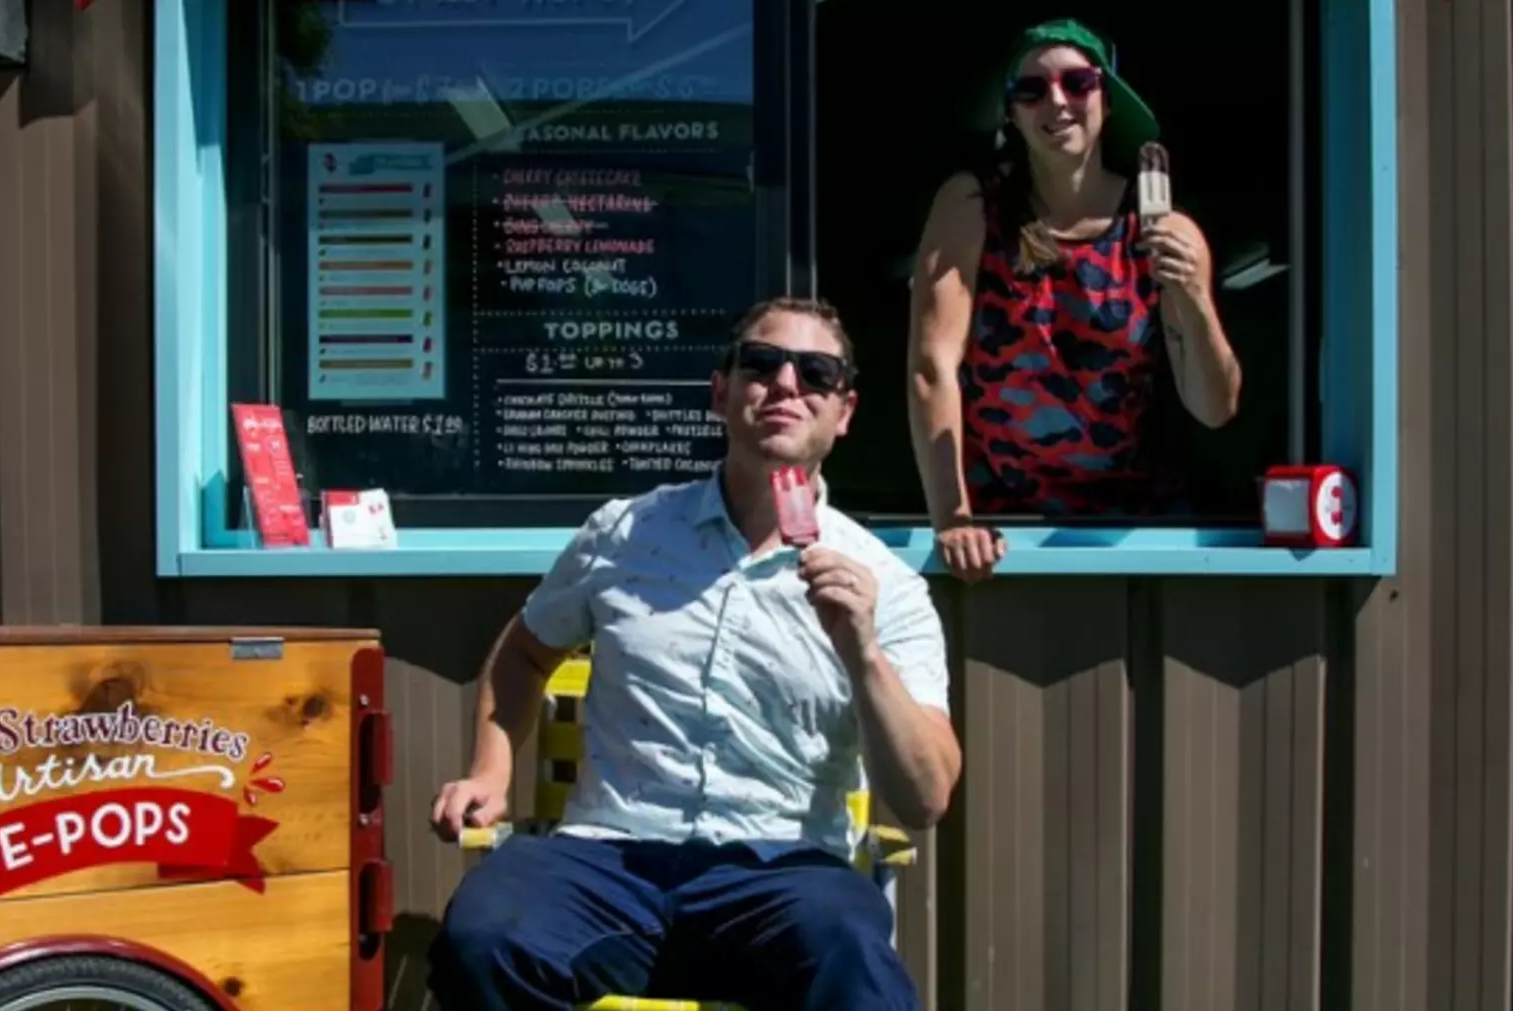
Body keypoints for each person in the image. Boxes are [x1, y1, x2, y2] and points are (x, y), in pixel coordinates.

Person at [426, 296, 959, 1011]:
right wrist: (490, 771)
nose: (786, 384)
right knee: (483, 937)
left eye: (816, 372)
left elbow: (926, 796)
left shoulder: (883, 584)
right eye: (762, 364)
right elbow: (525, 652)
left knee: (856, 960)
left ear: (845, 410)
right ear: (722, 392)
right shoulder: (625, 532)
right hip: (609, 858)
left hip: (783, 873)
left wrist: (861, 649)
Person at [908, 18, 1243, 581]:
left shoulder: (1161, 225)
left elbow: (1214, 408)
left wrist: (1193, 299)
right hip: (1001, 533)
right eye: (1031, 89)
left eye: (1077, 83)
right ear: (1012, 114)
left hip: (1136, 533)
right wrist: (953, 518)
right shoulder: (971, 204)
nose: (1056, 101)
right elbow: (931, 366)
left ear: (1106, 102)